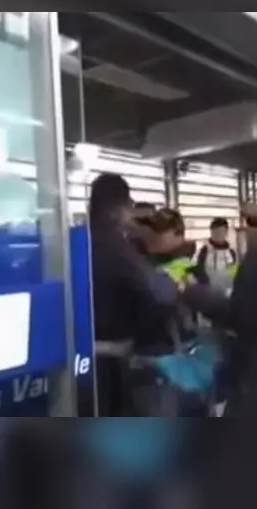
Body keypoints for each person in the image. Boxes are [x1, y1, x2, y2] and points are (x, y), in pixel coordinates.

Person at [87, 173, 181, 416]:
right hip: (113, 360)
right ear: (119, 209)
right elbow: (159, 294)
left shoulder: (77, 238)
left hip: (82, 359)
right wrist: (172, 284)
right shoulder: (114, 245)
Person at [195, 217, 238, 291]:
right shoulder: (204, 251)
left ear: (226, 232)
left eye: (221, 231)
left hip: (228, 292)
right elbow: (198, 272)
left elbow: (233, 274)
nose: (219, 235)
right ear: (211, 232)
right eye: (216, 232)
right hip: (208, 292)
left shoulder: (231, 253)